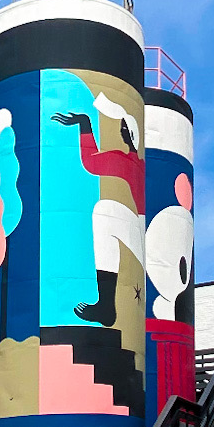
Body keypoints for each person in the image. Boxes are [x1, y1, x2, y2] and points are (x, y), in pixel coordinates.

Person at [51, 92, 145, 327]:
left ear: (129, 135)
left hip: (144, 230)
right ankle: (107, 307)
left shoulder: (128, 162)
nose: (121, 130)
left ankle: (106, 306)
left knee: (105, 213)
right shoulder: (139, 164)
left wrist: (85, 125)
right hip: (148, 232)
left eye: (124, 127)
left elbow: (91, 162)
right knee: (106, 211)